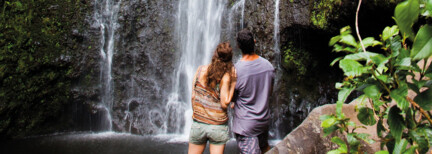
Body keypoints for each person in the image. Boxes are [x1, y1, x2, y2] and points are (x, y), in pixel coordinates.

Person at [188, 42, 237, 154]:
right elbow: (225, 103)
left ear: (215, 54)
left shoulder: (200, 70)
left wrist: (197, 115)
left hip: (198, 124)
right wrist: (233, 83)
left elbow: (193, 96)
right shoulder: (225, 77)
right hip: (217, 127)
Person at [232, 29, 275, 154]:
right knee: (265, 148)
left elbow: (231, 97)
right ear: (254, 42)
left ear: (238, 46)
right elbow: (269, 92)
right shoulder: (268, 66)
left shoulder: (237, 70)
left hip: (246, 124)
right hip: (263, 120)